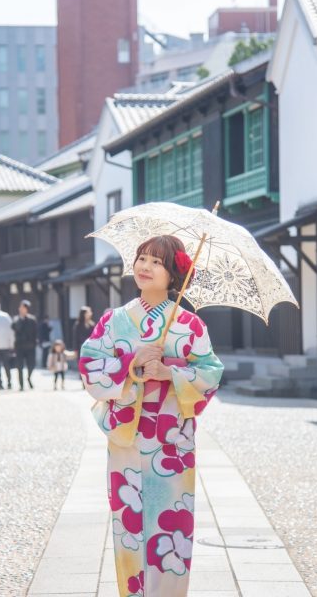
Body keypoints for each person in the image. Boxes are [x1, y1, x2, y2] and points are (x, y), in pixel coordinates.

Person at [79, 235, 223, 597]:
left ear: (173, 273)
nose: (144, 266)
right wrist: (132, 361)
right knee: (128, 524)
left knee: (171, 526)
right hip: (126, 440)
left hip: (170, 441)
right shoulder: (115, 320)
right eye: (141, 258)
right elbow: (88, 365)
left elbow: (210, 372)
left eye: (156, 262)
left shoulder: (190, 325)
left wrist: (169, 373)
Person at [12, 300, 38, 391]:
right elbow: (15, 328)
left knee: (31, 365)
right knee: (19, 366)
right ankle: (21, 384)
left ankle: (29, 378)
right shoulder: (16, 319)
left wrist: (35, 343)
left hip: (30, 346)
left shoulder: (32, 319)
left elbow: (35, 332)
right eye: (22, 308)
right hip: (19, 346)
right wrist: (21, 318)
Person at [72, 306, 95, 389]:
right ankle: (83, 382)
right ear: (84, 314)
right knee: (82, 366)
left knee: (90, 365)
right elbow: (75, 338)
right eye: (89, 312)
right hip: (81, 348)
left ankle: (88, 382)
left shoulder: (92, 324)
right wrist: (75, 350)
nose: (90, 313)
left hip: (91, 348)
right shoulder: (77, 325)